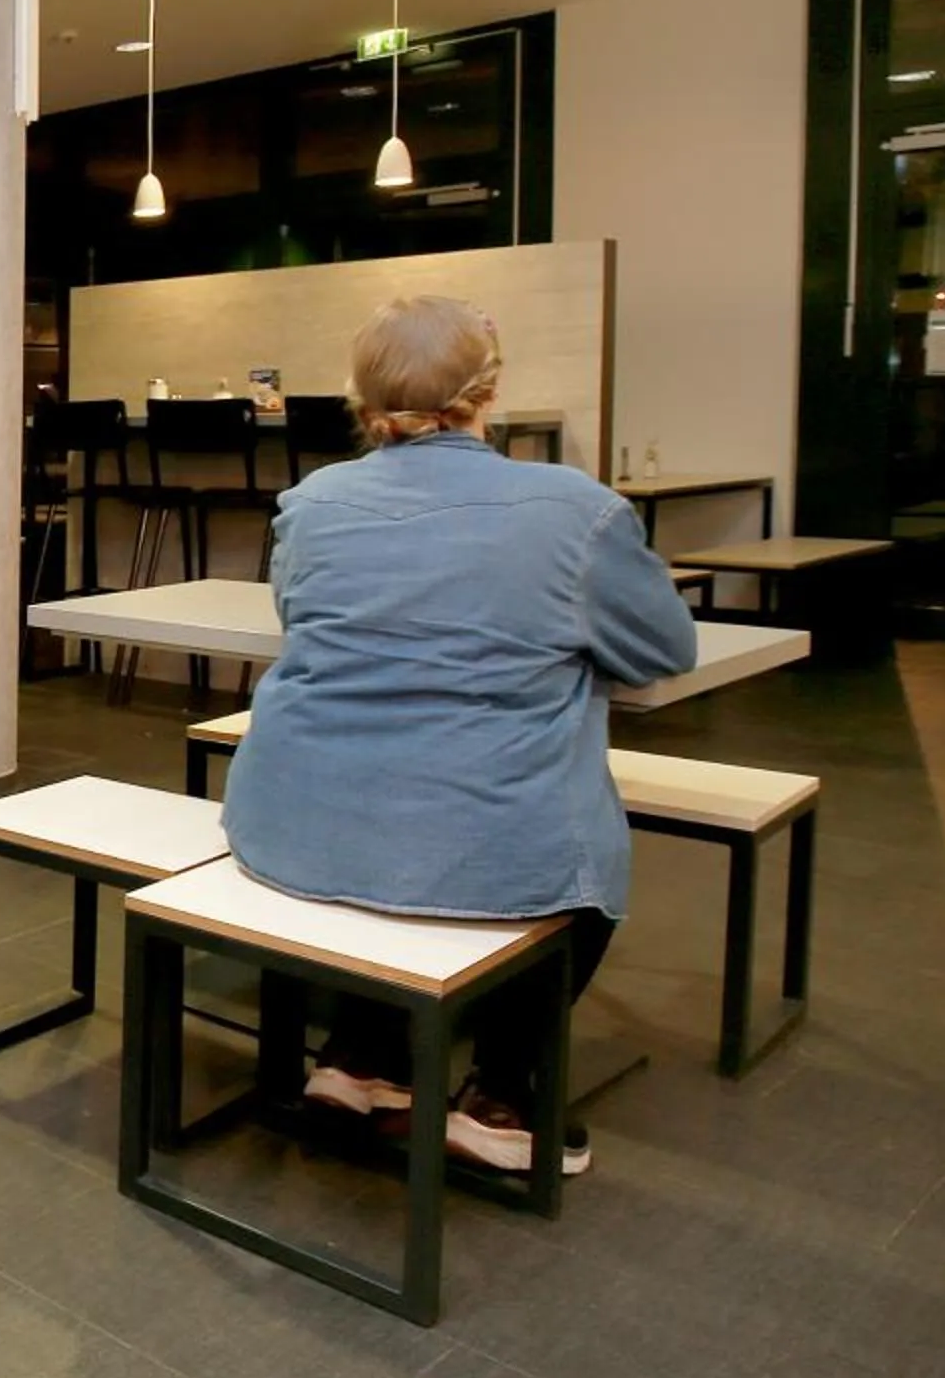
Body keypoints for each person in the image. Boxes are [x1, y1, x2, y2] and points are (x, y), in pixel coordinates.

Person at [221, 296, 697, 1178]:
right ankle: (504, 1097)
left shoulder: (311, 501)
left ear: (359, 399)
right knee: (573, 868)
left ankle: (364, 1060)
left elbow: (305, 617)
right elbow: (664, 650)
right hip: (484, 846)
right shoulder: (576, 510)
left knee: (394, 816)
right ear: (490, 389)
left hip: (287, 829)